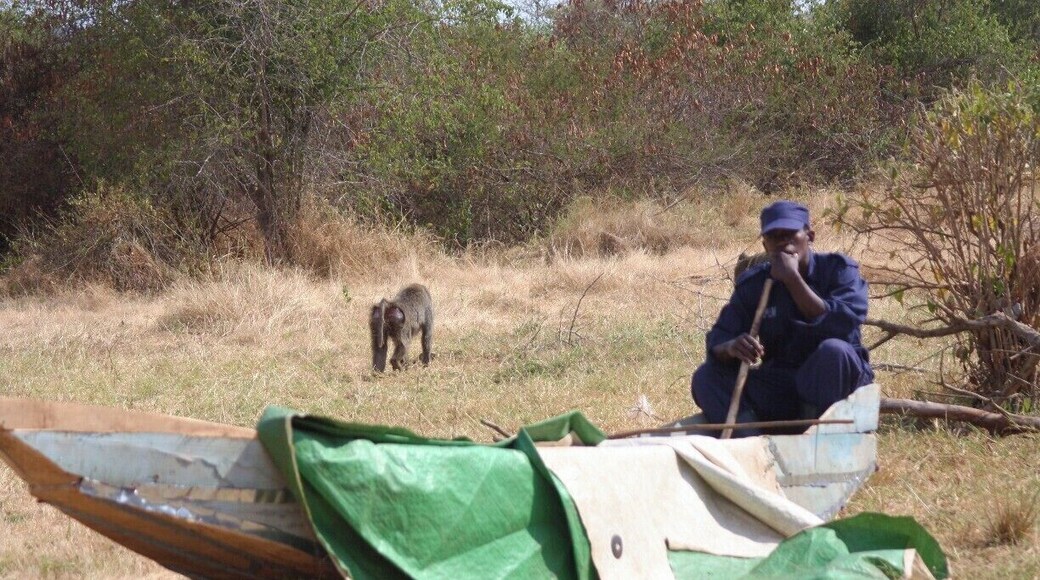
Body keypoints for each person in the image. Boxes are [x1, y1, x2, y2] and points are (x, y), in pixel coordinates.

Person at [690, 200, 874, 437]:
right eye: (774, 237)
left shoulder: (839, 271)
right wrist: (732, 347)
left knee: (834, 351)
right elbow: (719, 338)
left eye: (790, 234)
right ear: (765, 245)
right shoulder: (755, 283)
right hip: (782, 386)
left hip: (835, 384)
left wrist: (792, 280)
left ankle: (827, 441)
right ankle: (751, 445)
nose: (783, 243)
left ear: (810, 235)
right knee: (706, 378)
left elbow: (842, 322)